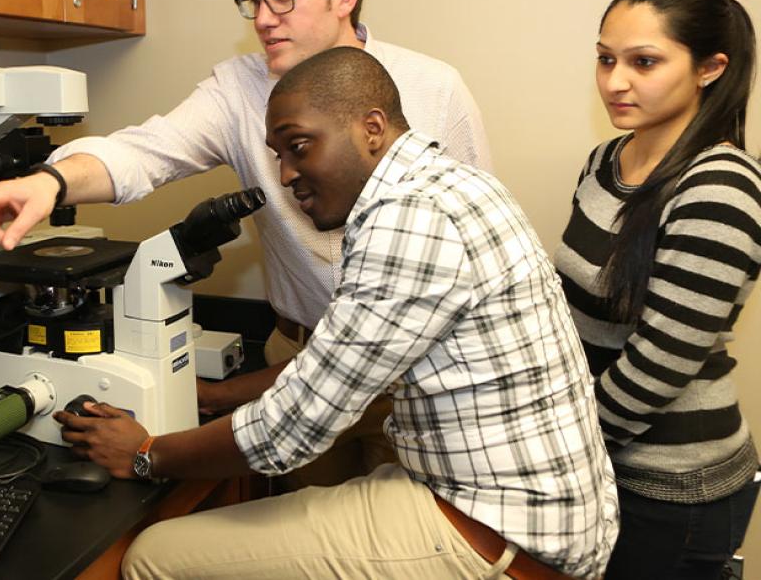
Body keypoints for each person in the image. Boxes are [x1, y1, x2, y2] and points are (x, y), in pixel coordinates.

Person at [0, 0, 492, 486]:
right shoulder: (239, 88)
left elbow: (474, 239)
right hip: (294, 359)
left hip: (419, 376)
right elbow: (145, 151)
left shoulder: (434, 89)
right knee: (296, 551)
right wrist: (51, 181)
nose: (263, 18)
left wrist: (150, 453)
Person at [56, 47, 619, 579]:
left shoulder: (406, 219)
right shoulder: (452, 185)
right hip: (534, 514)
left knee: (155, 555)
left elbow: (288, 431)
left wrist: (146, 454)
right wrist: (211, 396)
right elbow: (349, 358)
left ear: (371, 129)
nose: (283, 176)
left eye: (299, 146)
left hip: (497, 538)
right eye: (278, 156)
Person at [554, 0, 760, 579]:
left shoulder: (722, 189)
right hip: (606, 459)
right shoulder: (608, 159)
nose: (614, 82)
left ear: (710, 68)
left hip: (674, 485)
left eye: (644, 62)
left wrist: (560, 443)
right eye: (604, 59)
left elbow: (657, 366)